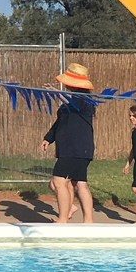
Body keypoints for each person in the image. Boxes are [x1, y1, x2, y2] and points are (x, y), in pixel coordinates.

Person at [41, 62, 98, 223]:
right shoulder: (68, 104)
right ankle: (86, 220)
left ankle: (63, 219)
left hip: (76, 148)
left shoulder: (86, 101)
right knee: (80, 184)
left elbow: (73, 103)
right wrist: (48, 138)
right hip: (73, 149)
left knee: (58, 182)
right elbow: (59, 123)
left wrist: (54, 92)